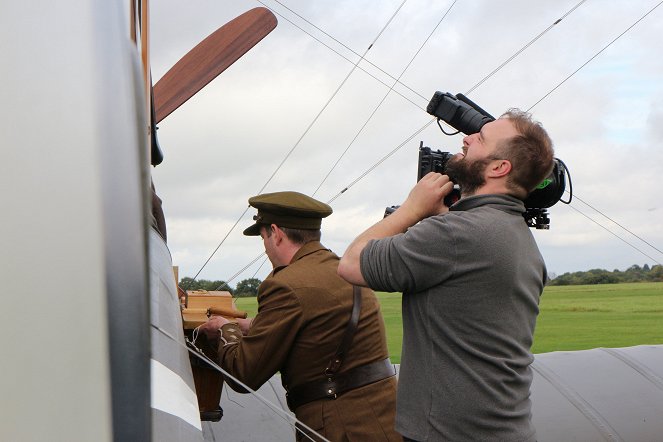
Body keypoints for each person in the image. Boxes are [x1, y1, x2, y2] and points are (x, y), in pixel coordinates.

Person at [337, 109, 555, 442]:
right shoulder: (518, 236)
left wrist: (413, 208)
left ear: (499, 168)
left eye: (480, 139)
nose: (466, 139)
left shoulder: (455, 235)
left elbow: (351, 263)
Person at [199, 191, 401, 442]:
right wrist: (256, 326)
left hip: (339, 426)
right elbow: (318, 327)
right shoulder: (342, 268)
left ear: (276, 233)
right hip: (385, 419)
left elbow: (243, 374)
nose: (265, 247)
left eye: (263, 237)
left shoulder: (284, 285)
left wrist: (224, 329)